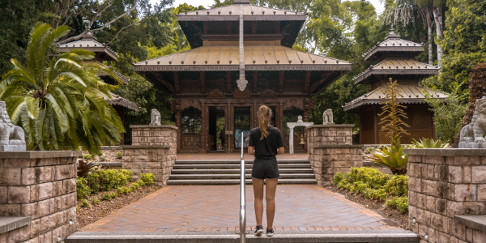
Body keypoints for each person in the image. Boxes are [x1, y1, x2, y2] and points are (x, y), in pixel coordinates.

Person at [248, 105, 285, 237]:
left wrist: (258, 151)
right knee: (271, 199)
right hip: (271, 164)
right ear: (270, 116)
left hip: (258, 164)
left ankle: (259, 226)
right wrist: (272, 151)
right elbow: (281, 150)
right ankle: (269, 229)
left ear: (259, 115)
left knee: (258, 198)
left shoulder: (253, 132)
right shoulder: (276, 131)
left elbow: (249, 151)